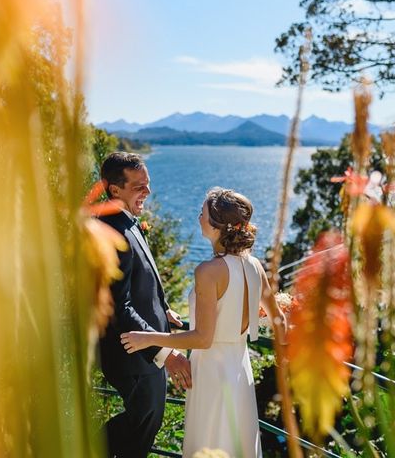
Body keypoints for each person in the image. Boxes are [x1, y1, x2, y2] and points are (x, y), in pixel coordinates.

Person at [121, 187, 282, 458]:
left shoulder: (208, 271)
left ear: (218, 225)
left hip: (212, 374)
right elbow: (280, 321)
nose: (198, 218)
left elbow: (202, 338)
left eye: (203, 213)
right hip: (240, 371)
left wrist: (148, 338)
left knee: (209, 443)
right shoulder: (255, 266)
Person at [99, 152, 192, 458]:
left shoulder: (126, 222)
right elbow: (118, 305)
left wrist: (161, 307)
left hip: (144, 347)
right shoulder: (113, 232)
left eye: (148, 184)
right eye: (139, 186)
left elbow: (141, 277)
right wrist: (167, 353)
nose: (148, 192)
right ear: (115, 190)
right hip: (134, 353)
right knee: (143, 425)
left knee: (145, 424)